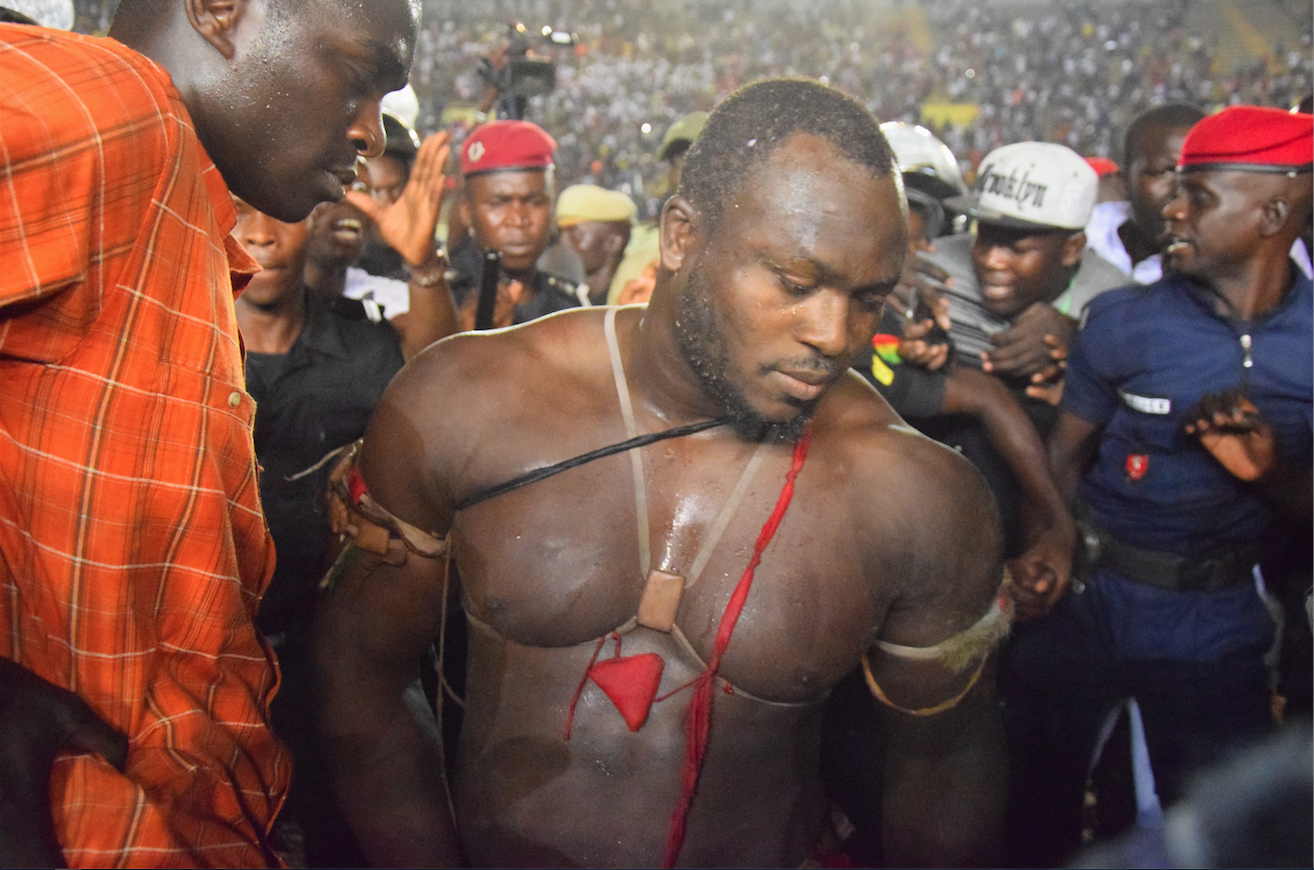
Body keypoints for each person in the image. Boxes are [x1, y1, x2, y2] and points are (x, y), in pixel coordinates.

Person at [314, 78, 1008, 868]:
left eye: (869, 300)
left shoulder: (918, 495)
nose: (832, 333)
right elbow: (359, 679)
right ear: (680, 236)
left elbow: (946, 765)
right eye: (794, 283)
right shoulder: (469, 402)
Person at [0, 0, 419, 865]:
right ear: (221, 10)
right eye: (359, 78)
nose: (370, 133)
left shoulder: (173, 187)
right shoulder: (112, 108)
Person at [1005, 105, 1313, 867]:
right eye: (1173, 190)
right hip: (1089, 601)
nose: (1171, 210)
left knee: (1215, 829)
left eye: (1197, 197)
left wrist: (1274, 474)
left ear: (1272, 215)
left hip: (1214, 622)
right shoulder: (1122, 323)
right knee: (1031, 810)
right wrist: (1050, 542)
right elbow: (1063, 458)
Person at [446, 119, 587, 328]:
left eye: (535, 202)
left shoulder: (568, 305)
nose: (519, 220)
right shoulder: (443, 303)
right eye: (499, 203)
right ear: (466, 211)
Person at [1084, 103, 1206, 284]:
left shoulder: (1220, 270)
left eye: (1196, 175)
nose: (1179, 191)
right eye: (1164, 174)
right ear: (1123, 182)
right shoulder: (1082, 236)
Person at [556, 183, 637, 305]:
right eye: (560, 233)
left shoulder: (635, 295)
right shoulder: (565, 295)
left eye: (578, 235)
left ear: (613, 243)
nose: (563, 242)